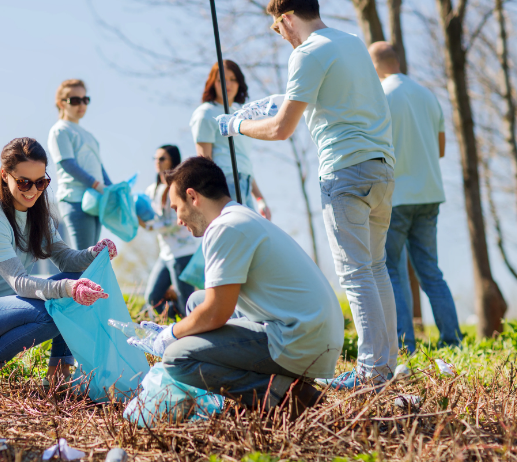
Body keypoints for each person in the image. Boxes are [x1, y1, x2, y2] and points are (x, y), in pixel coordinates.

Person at [219, 0, 397, 389]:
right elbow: (329, 98)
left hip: (345, 170)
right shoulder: (350, 41)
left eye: (276, 28)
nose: (279, 35)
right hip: (382, 167)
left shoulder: (306, 53)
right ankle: (384, 368)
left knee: (355, 271)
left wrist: (237, 126)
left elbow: (282, 129)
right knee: (376, 267)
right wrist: (270, 104)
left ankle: (370, 373)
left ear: (285, 19)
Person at [128, 157, 343, 414]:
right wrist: (181, 330)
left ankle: (287, 394)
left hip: (300, 341)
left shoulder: (225, 228)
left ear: (193, 196)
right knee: (196, 301)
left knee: (178, 358)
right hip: (311, 332)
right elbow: (210, 306)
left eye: (176, 208)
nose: (178, 220)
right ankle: (278, 385)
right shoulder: (240, 218)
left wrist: (172, 334)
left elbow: (216, 313)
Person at [0, 137, 116, 389]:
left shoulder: (39, 218)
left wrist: (93, 253)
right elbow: (20, 283)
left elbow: (67, 260)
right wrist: (67, 290)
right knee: (56, 310)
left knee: (77, 283)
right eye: (23, 182)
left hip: (4, 311)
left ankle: (59, 377)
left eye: (41, 182)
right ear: (5, 175)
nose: (33, 190)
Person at [368, 42, 462, 354]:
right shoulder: (428, 95)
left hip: (397, 196)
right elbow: (441, 149)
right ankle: (453, 341)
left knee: (392, 269)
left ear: (376, 64)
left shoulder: (380, 96)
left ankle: (406, 345)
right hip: (430, 194)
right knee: (430, 271)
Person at [190, 60, 270, 217]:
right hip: (225, 184)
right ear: (213, 83)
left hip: (245, 183)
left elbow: (243, 162)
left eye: (233, 79)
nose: (228, 84)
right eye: (221, 80)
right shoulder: (206, 113)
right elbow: (204, 162)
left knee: (252, 236)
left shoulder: (241, 115)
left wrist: (260, 198)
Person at [48, 79, 112, 250]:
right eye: (75, 100)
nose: (82, 104)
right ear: (61, 103)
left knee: (91, 257)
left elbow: (99, 167)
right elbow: (67, 164)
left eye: (85, 100)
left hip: (95, 199)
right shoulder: (60, 130)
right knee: (83, 258)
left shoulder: (89, 135)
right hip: (75, 199)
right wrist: (97, 184)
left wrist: (111, 188)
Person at [141, 145, 199, 318]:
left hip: (183, 252)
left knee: (186, 301)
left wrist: (149, 226)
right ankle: (180, 324)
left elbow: (176, 221)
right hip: (165, 254)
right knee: (152, 298)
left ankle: (194, 331)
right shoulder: (152, 190)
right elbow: (149, 215)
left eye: (162, 159)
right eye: (155, 159)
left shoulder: (180, 186)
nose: (157, 162)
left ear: (172, 161)